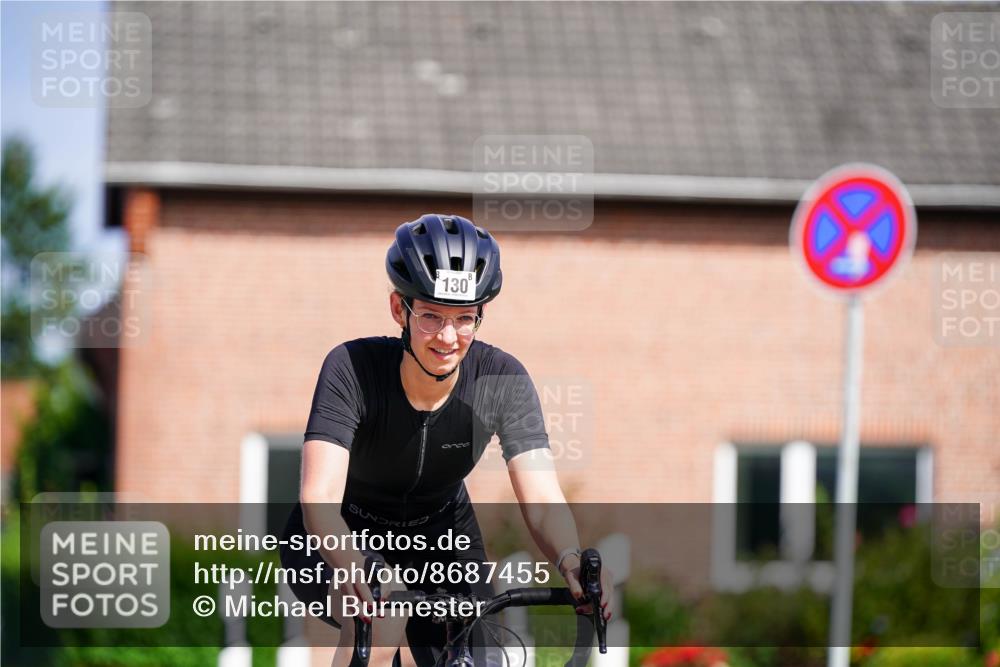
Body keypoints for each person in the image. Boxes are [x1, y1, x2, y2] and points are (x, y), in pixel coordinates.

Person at [281, 214, 611, 667]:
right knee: (384, 621)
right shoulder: (351, 369)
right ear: (400, 310)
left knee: (482, 656)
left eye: (464, 319)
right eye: (431, 316)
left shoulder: (501, 379)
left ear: (481, 315)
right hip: (342, 531)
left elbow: (541, 497)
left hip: (443, 534)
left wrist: (571, 559)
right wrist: (357, 568)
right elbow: (319, 498)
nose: (448, 336)